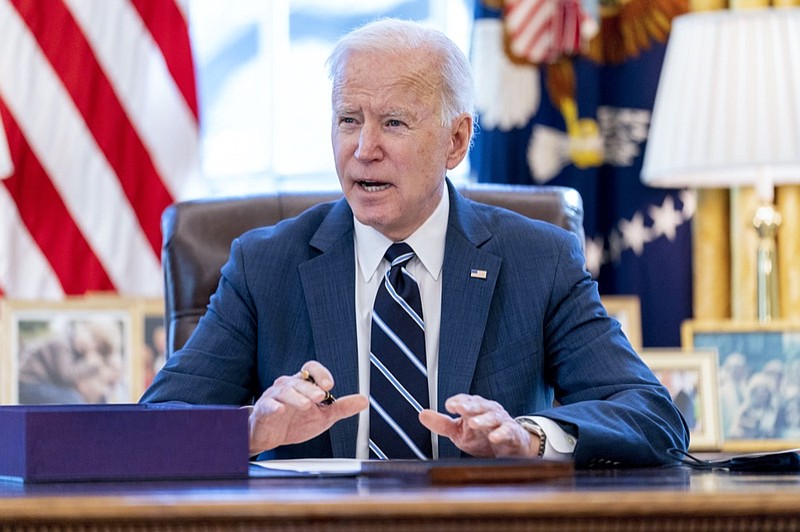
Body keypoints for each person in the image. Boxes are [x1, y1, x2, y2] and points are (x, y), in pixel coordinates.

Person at [141, 18, 688, 467]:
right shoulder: (265, 265)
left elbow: (652, 417)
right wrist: (250, 429)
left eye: (395, 123)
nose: (363, 148)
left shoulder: (537, 260)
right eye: (348, 119)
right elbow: (146, 432)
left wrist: (531, 438)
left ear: (456, 140)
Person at [19, 318, 124, 404]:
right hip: (29, 383)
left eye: (97, 347)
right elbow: (66, 376)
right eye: (92, 337)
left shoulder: (78, 352)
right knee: (74, 401)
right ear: (83, 328)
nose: (91, 345)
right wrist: (89, 364)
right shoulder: (62, 344)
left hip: (45, 384)